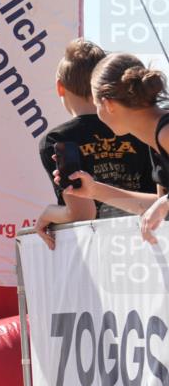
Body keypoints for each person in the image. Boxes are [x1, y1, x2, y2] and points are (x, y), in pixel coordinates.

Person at [34, 40, 157, 249]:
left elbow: (82, 213)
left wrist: (48, 213)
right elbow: (161, 201)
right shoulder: (140, 128)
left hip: (99, 252)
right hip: (150, 244)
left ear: (60, 87)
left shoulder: (59, 139)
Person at [60, 53, 169, 244]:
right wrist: (94, 190)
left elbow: (163, 204)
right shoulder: (155, 139)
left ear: (108, 104)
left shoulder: (166, 133)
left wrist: (165, 202)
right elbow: (157, 206)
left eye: (96, 105)